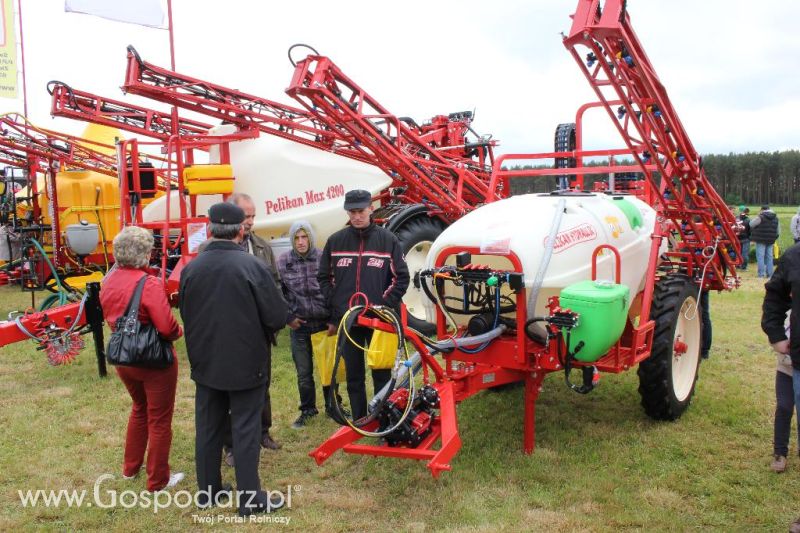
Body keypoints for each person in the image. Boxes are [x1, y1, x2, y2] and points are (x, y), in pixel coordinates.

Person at [179, 202, 288, 515]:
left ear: (210, 230)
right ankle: (250, 498)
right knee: (245, 428)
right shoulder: (253, 267)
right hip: (246, 362)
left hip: (205, 360)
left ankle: (209, 491)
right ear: (241, 230)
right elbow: (277, 315)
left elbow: (186, 312)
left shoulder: (192, 269)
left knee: (208, 426)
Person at [100, 226, 184, 492]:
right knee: (159, 419)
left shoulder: (108, 281)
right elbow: (167, 327)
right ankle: (158, 480)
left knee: (139, 408)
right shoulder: (148, 284)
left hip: (124, 357)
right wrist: (180, 331)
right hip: (153, 360)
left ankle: (130, 468)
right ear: (145, 254)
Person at [318, 189, 410, 420]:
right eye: (352, 212)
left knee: (381, 372)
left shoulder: (387, 240)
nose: (357, 216)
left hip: (379, 320)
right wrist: (336, 304)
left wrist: (382, 305)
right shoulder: (336, 241)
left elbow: (401, 277)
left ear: (371, 208)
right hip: (348, 319)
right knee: (354, 374)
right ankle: (360, 420)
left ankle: (381, 419)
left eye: (361, 211)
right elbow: (324, 277)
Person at [277, 220, 340, 428]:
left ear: (311, 238)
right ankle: (307, 409)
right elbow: (279, 293)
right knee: (303, 372)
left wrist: (334, 319)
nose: (301, 242)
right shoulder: (283, 262)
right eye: (296, 238)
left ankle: (334, 407)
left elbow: (336, 288)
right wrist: (288, 317)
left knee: (329, 368)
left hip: (324, 324)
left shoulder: (324, 258)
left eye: (304, 237)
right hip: (301, 326)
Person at [761, 241, 800, 474]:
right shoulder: (794, 257)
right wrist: (776, 335)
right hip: (795, 359)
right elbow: (774, 298)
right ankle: (780, 451)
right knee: (786, 406)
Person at [749, 204, 780, 278]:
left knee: (760, 257)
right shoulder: (776, 218)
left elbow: (751, 224)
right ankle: (770, 274)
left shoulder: (761, 217)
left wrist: (757, 216)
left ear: (762, 210)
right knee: (769, 257)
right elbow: (778, 231)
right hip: (771, 240)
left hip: (760, 239)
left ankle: (761, 274)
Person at [737, 206, 751, 270]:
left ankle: (739, 265)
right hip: (745, 239)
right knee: (744, 254)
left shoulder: (736, 218)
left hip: (738, 238)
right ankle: (743, 267)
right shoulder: (748, 220)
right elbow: (750, 230)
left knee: (739, 253)